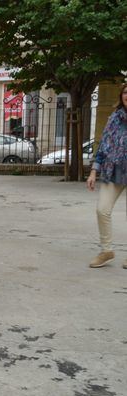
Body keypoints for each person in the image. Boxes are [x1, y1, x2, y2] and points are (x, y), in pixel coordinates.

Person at [87, 82, 127, 269]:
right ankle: (106, 251)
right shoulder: (114, 118)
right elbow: (103, 146)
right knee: (102, 209)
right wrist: (94, 171)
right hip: (114, 170)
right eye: (125, 92)